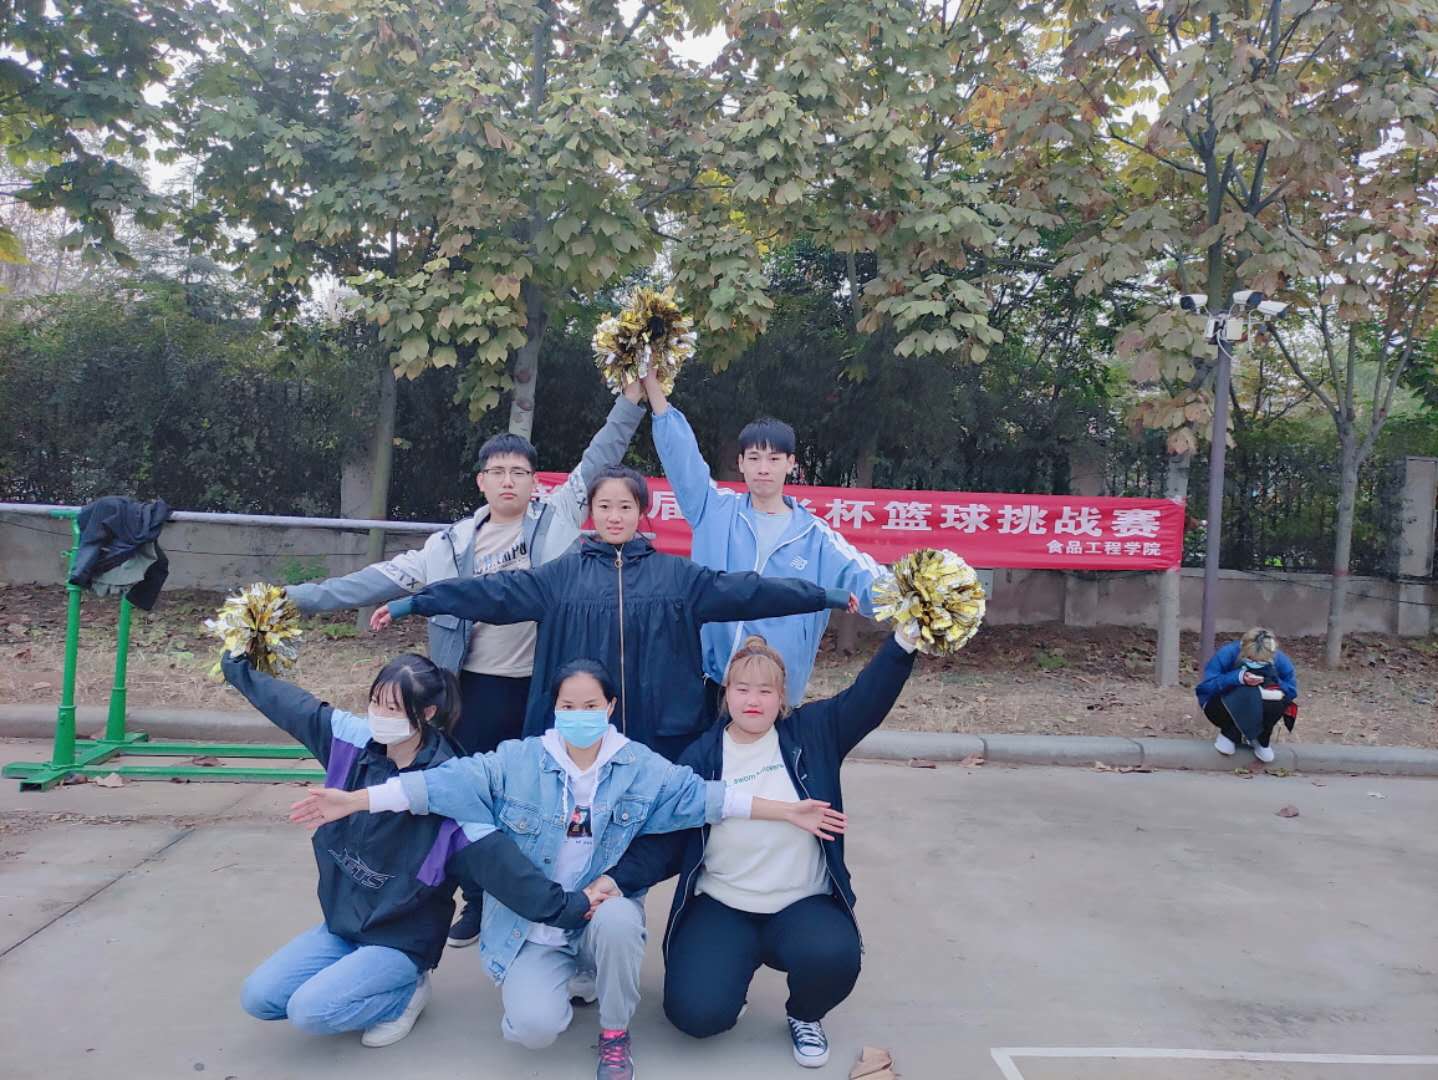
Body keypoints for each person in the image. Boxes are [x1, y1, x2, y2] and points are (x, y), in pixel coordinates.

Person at [288, 659, 847, 1080]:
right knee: (532, 1031)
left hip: (601, 911)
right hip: (537, 926)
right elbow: (436, 785)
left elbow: (708, 797)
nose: (580, 716)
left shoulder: (640, 766)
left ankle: (614, 1032)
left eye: (591, 705)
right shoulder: (517, 761)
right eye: (568, 706)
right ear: (554, 709)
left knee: (620, 921)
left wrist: (787, 810)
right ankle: (577, 977)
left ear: (610, 706)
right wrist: (354, 800)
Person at [286, 382, 646, 946]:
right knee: (470, 801)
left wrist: (633, 398)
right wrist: (289, 599)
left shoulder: (557, 520)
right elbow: (371, 581)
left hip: (542, 693)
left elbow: (603, 453)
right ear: (481, 481)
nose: (508, 481)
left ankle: (549, 902)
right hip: (471, 691)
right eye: (497, 472)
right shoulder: (448, 546)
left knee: (548, 799)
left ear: (535, 481)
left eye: (519, 472)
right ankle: (477, 902)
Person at [221, 652, 594, 1048]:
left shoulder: (451, 786)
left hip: (400, 938)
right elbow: (295, 706)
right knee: (259, 998)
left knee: (308, 1011)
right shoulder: (352, 742)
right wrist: (239, 670)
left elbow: (502, 867)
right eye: (375, 702)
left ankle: (405, 994)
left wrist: (570, 906)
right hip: (343, 925)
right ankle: (357, 973)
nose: (379, 715)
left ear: (427, 713)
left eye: (393, 708)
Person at [590, 627, 920, 1069]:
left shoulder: (813, 732)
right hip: (723, 904)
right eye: (742, 688)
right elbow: (667, 841)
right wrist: (616, 879)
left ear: (781, 697)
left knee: (834, 955)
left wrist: (902, 644)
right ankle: (731, 977)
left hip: (802, 903)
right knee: (695, 1015)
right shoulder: (701, 757)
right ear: (726, 693)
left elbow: (868, 697)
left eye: (765, 691)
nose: (753, 700)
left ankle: (804, 1014)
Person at [369, 465, 857, 761]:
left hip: (660, 732)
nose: (614, 516)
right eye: (604, 507)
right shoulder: (560, 577)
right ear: (592, 513)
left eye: (625, 507)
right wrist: (416, 601)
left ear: (642, 511)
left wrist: (824, 596)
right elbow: (490, 593)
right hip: (580, 732)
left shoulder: (678, 577)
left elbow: (750, 592)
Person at [641, 371, 889, 712]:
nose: (763, 468)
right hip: (708, 684)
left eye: (774, 459)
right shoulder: (713, 510)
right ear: (741, 463)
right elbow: (682, 459)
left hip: (776, 695)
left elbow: (867, 578)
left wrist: (919, 602)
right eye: (754, 458)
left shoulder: (815, 536)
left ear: (791, 464)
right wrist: (653, 387)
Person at [1197, 627, 1298, 763]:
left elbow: (1291, 691)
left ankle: (1261, 739)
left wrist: (1273, 681)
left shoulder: (1279, 659)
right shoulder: (1228, 653)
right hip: (1219, 705)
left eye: (1262, 661)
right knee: (1247, 691)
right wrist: (1238, 678)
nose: (1255, 663)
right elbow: (1206, 687)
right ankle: (1230, 735)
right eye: (1250, 659)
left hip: (1260, 706)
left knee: (1277, 698)